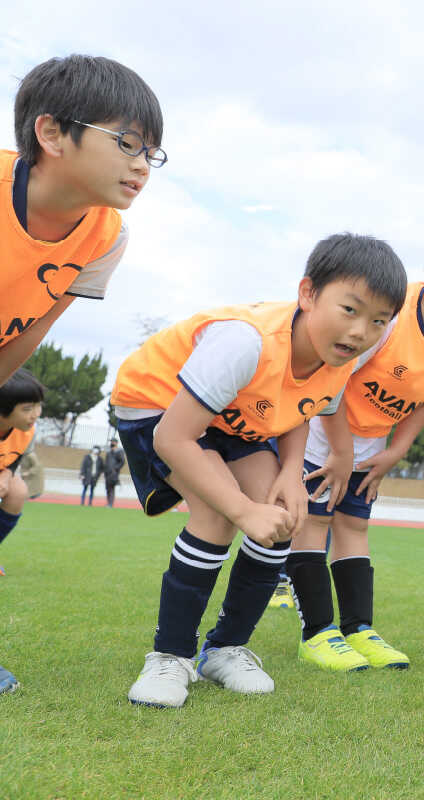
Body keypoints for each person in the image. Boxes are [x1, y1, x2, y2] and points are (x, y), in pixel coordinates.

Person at [111, 232, 404, 708]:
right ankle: (170, 656)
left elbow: (300, 405)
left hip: (237, 419)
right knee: (218, 515)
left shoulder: (340, 356)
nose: (360, 332)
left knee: (285, 514)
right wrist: (244, 510)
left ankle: (225, 648)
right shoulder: (244, 342)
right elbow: (172, 437)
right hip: (160, 407)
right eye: (350, 310)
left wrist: (291, 470)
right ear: (308, 294)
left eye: (378, 321)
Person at [0, 55, 162, 698]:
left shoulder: (105, 236)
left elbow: (30, 329)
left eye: (152, 151)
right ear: (50, 133)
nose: (143, 165)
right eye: (127, 143)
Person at [282, 220, 424, 674]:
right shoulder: (388, 315)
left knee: (354, 530)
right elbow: (330, 380)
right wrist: (340, 454)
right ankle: (318, 633)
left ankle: (359, 628)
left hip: (370, 446)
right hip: (323, 434)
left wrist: (396, 450)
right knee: (314, 523)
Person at [0, 370, 43, 694]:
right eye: (27, 408)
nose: (35, 415)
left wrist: (6, 472)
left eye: (37, 406)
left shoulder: (24, 432)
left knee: (17, 490)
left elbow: (12, 459)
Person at [100, 437, 125, 506]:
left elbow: (122, 461)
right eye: (111, 442)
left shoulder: (119, 451)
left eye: (113, 442)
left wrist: (115, 468)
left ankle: (110, 503)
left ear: (116, 443)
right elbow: (106, 462)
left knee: (111, 488)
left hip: (113, 473)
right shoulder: (109, 452)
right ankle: (108, 502)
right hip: (107, 473)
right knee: (107, 488)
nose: (111, 443)